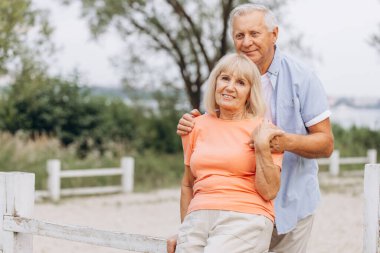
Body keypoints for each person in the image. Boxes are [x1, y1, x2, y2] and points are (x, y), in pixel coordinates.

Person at [169, 3, 334, 253]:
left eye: (254, 34)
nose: (247, 42)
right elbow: (216, 132)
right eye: (239, 35)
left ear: (274, 34)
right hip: (234, 207)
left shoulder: (303, 77)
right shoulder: (230, 74)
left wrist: (279, 141)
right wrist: (193, 122)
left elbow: (326, 143)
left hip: (292, 200)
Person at [175, 53, 284, 253]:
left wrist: (261, 147)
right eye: (225, 78)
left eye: (241, 82)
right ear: (215, 82)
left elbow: (269, 191)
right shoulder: (195, 125)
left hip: (246, 215)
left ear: (251, 92)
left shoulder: (265, 129)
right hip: (198, 216)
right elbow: (187, 184)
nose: (230, 87)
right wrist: (184, 230)